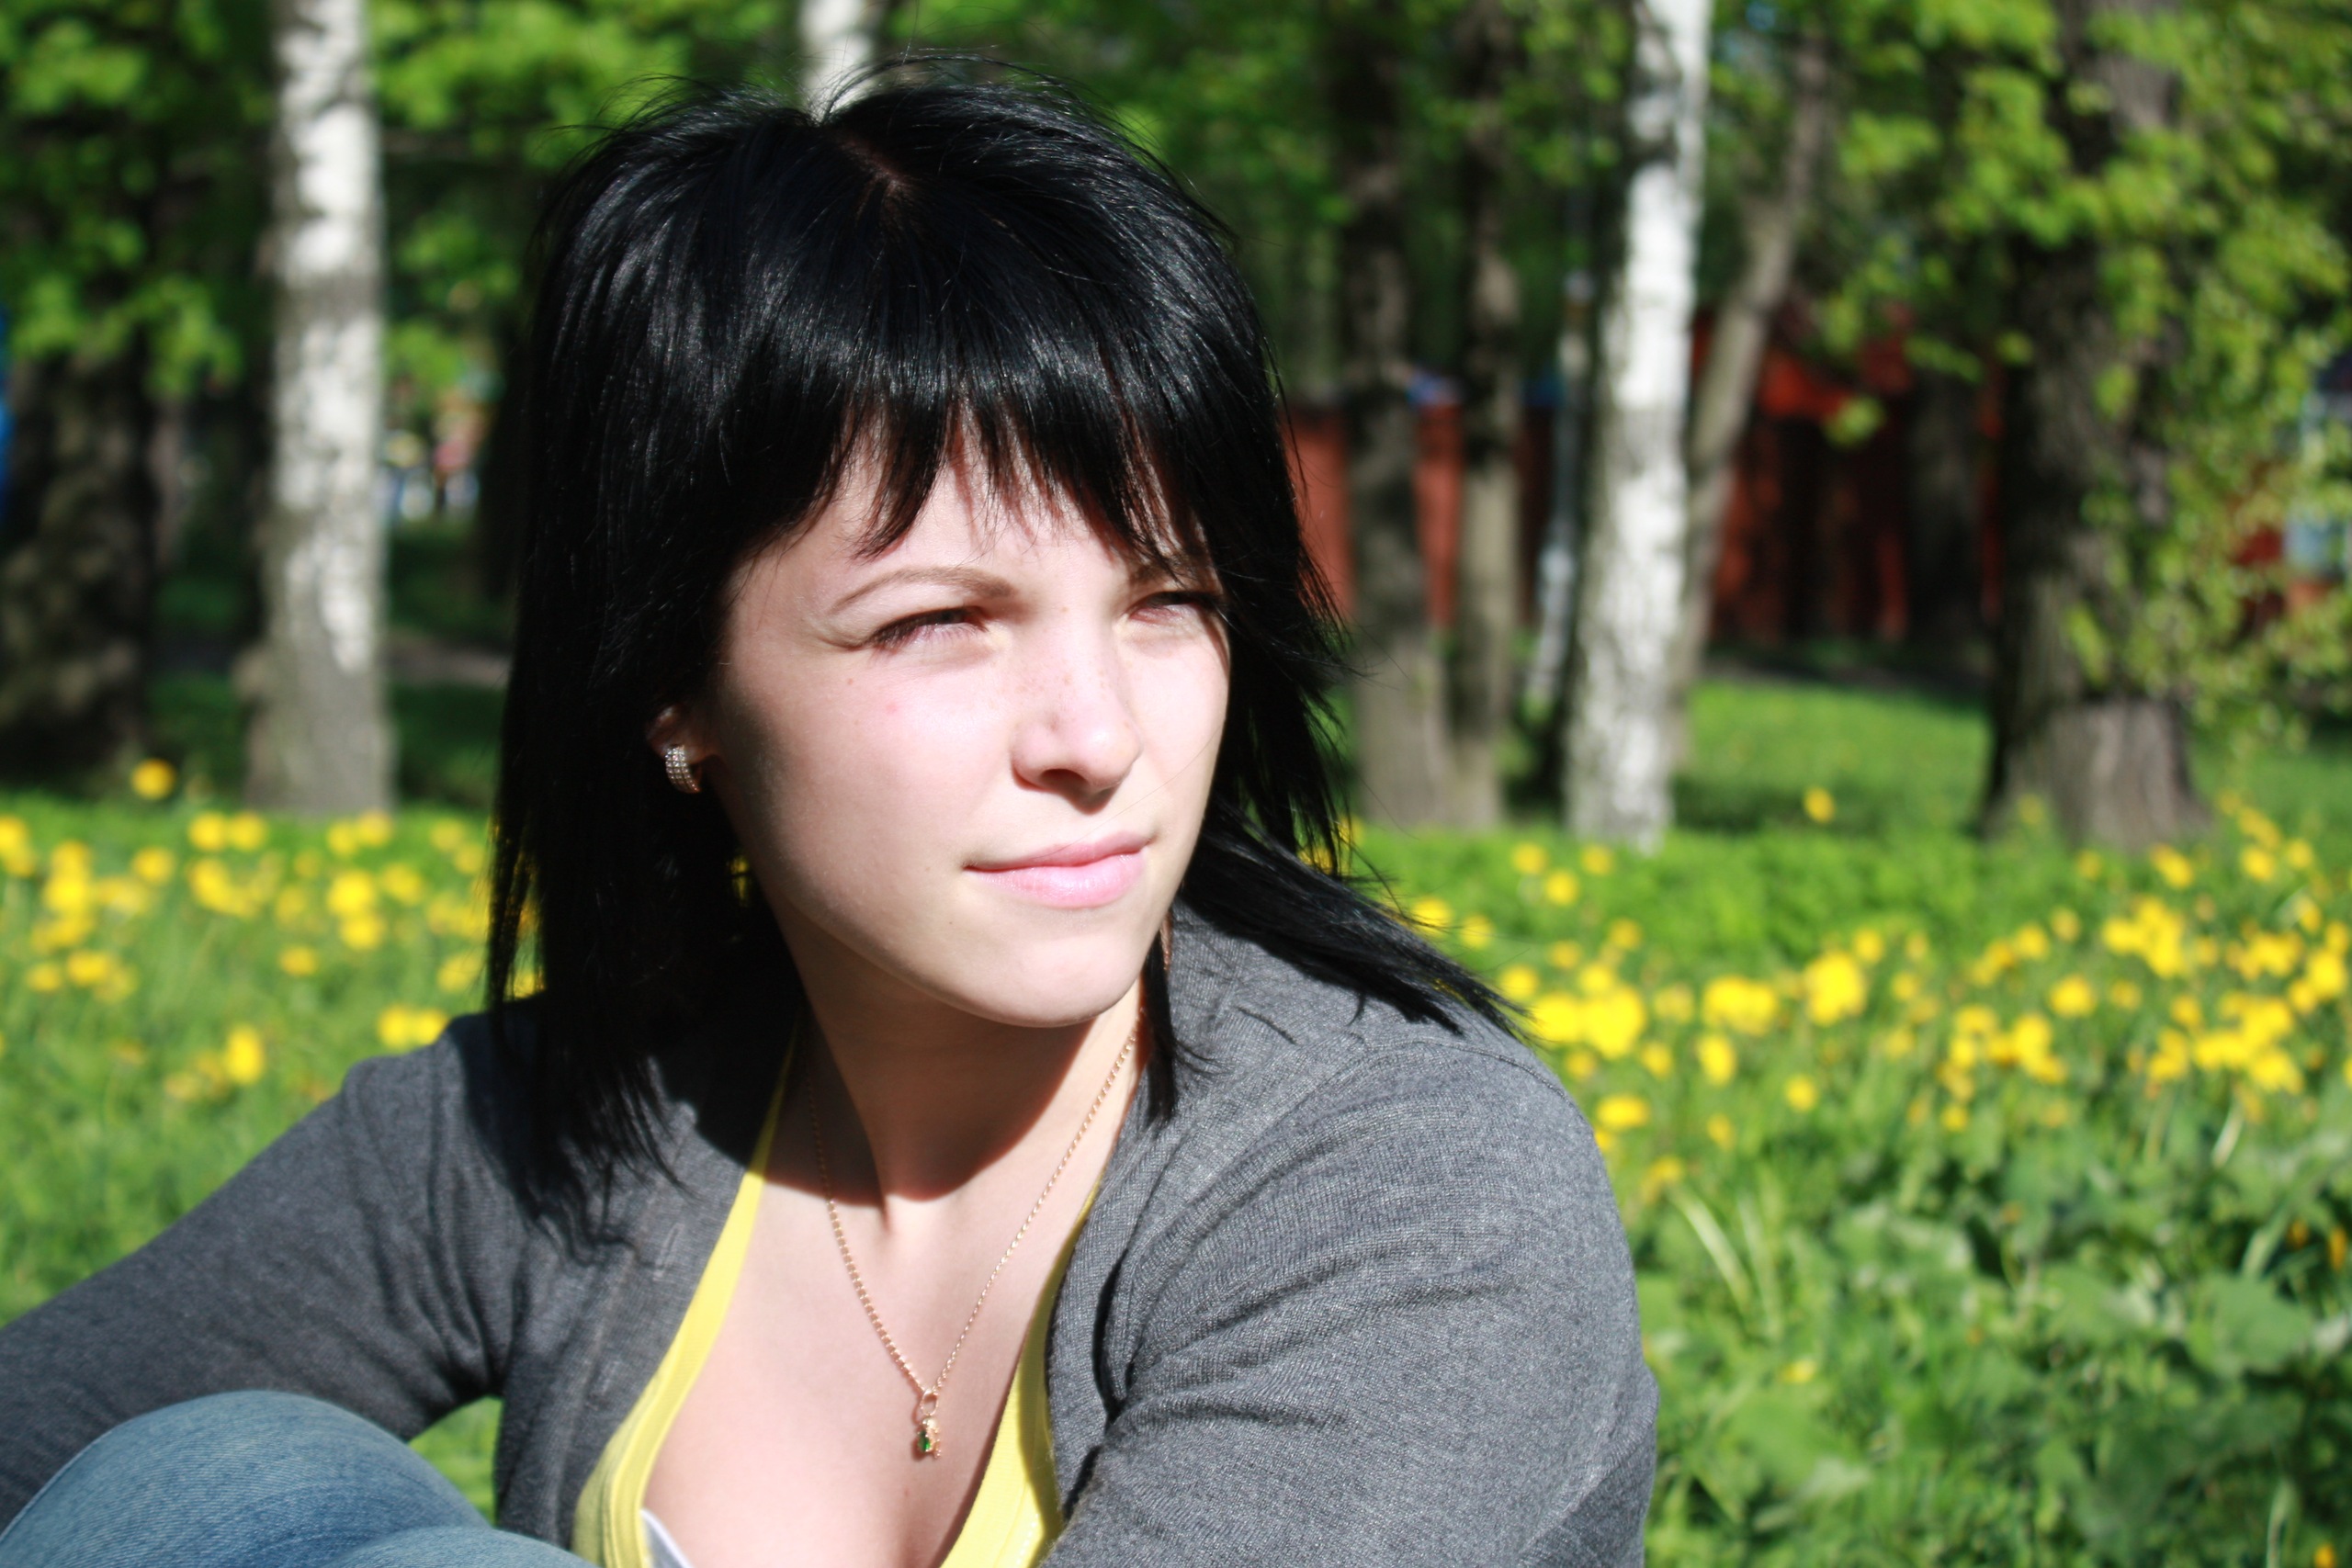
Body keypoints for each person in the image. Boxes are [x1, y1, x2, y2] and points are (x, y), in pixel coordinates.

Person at [0, 73, 1655, 1568]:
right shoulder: (593, 1111)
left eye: (1168, 600)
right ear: (675, 687)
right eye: (938, 622)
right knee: (232, 1476)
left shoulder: (1411, 1190)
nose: (1098, 740)